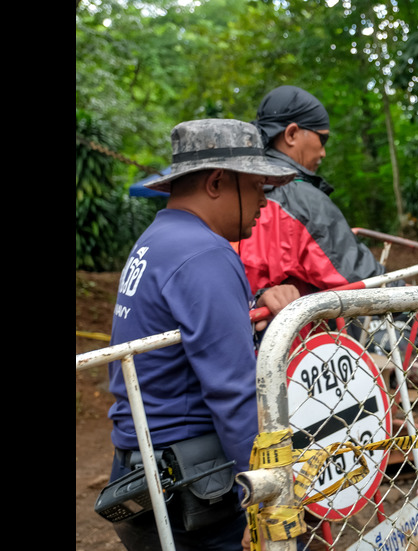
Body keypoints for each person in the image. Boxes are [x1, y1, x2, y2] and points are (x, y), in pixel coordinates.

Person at [105, 119, 301, 550]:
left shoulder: (158, 238)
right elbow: (232, 392)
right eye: (256, 189)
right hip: (189, 484)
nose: (263, 204)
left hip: (139, 465)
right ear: (217, 182)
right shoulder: (205, 254)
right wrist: (264, 495)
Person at [237, 85, 388, 298]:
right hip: (290, 330)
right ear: (291, 134)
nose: (323, 153)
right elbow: (361, 279)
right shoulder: (301, 200)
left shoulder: (236, 189)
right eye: (322, 139)